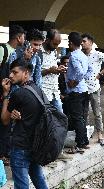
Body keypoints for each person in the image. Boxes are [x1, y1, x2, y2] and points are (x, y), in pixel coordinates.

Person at [1, 58, 48, 189]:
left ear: (26, 73)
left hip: (21, 147)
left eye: (15, 72)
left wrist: (6, 95)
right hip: (35, 144)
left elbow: (4, 119)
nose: (10, 75)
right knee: (39, 180)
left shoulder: (18, 93)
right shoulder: (38, 90)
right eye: (10, 72)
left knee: (22, 185)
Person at [0, 25, 25, 160]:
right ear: (19, 37)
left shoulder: (17, 52)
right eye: (23, 37)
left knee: (8, 124)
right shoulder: (3, 49)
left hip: (9, 92)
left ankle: (4, 153)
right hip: (3, 91)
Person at [66, 32, 92, 151]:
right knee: (81, 116)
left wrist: (75, 81)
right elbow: (88, 70)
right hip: (84, 89)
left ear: (71, 43)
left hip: (76, 90)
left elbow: (80, 72)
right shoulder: (83, 55)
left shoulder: (74, 56)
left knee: (77, 117)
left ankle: (81, 142)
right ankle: (84, 140)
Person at [81, 33, 104, 145]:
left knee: (97, 112)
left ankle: (100, 134)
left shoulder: (97, 54)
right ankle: (86, 133)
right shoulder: (80, 55)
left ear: (90, 42)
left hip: (94, 87)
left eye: (84, 41)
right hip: (82, 88)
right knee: (84, 112)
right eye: (81, 41)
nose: (82, 43)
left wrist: (100, 74)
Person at [41, 29, 65, 112]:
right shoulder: (38, 52)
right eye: (54, 44)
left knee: (61, 119)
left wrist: (58, 69)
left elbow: (53, 69)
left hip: (55, 92)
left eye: (58, 44)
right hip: (43, 92)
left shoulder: (53, 52)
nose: (56, 47)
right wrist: (49, 70)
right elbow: (33, 74)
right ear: (47, 40)